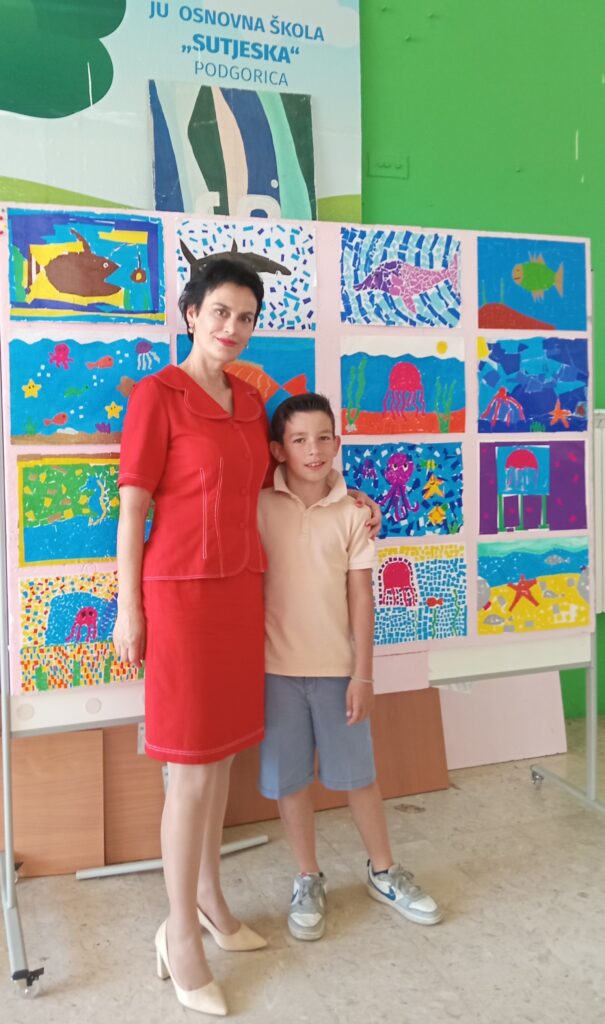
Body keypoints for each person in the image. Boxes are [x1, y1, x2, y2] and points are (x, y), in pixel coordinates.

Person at [113, 262, 380, 1015]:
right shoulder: (157, 396)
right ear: (190, 314)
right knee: (190, 771)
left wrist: (349, 493)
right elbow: (133, 508)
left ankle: (210, 903)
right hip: (180, 597)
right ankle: (178, 933)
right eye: (220, 312)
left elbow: (285, 476)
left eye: (246, 317)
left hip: (241, 595)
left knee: (221, 758)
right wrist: (129, 608)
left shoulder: (252, 400)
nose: (232, 328)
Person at [257, 393, 443, 942]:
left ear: (338, 443)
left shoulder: (354, 513)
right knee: (290, 781)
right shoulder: (258, 505)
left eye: (323, 438)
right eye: (299, 440)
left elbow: (362, 597)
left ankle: (383, 871)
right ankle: (307, 877)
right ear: (278, 450)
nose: (313, 450)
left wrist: (363, 674)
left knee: (359, 777)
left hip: (339, 671)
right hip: (274, 672)